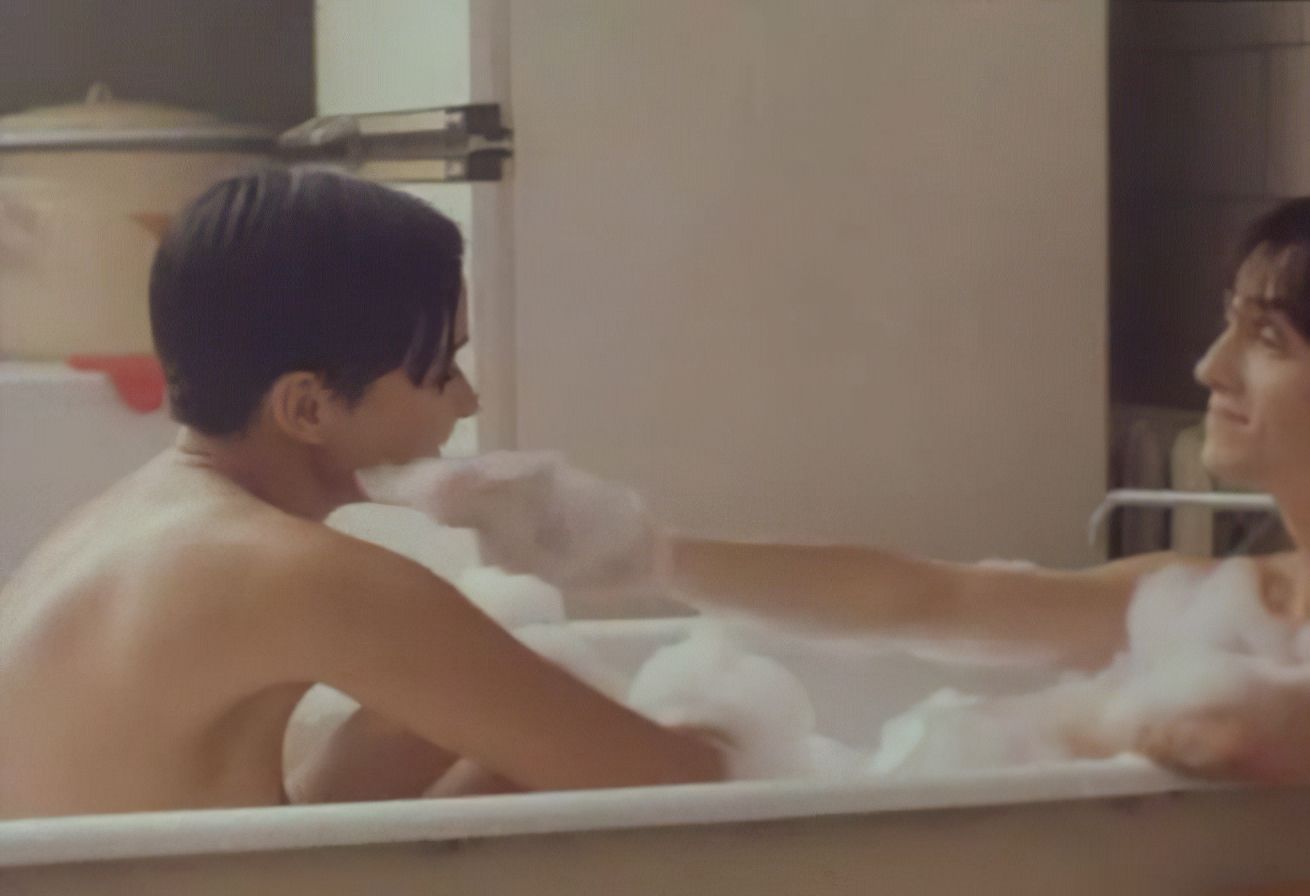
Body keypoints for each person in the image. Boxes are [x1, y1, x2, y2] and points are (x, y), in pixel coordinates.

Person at [0, 167, 725, 819]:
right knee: (569, 763)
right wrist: (724, 728)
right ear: (307, 408)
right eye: (440, 371)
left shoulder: (126, 524)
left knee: (441, 722)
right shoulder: (297, 572)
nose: (467, 402)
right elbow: (685, 788)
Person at [658, 198, 1310, 784]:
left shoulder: (1253, 657)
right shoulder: (1207, 600)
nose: (1210, 367)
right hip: (920, 832)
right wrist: (655, 557)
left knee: (681, 766)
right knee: (680, 748)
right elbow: (928, 598)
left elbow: (1249, 731)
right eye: (1229, 325)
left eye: (1267, 339)